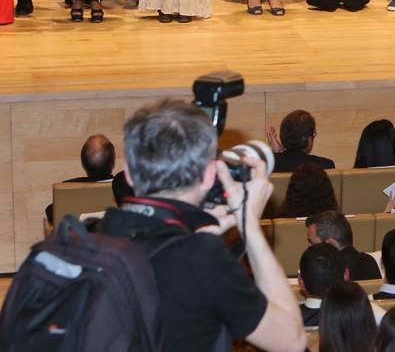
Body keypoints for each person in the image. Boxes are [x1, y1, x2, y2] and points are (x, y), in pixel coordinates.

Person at [96, 101, 306, 352]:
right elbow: (292, 340)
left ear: (128, 173)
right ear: (209, 175)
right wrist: (249, 223)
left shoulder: (88, 236)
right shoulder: (202, 258)